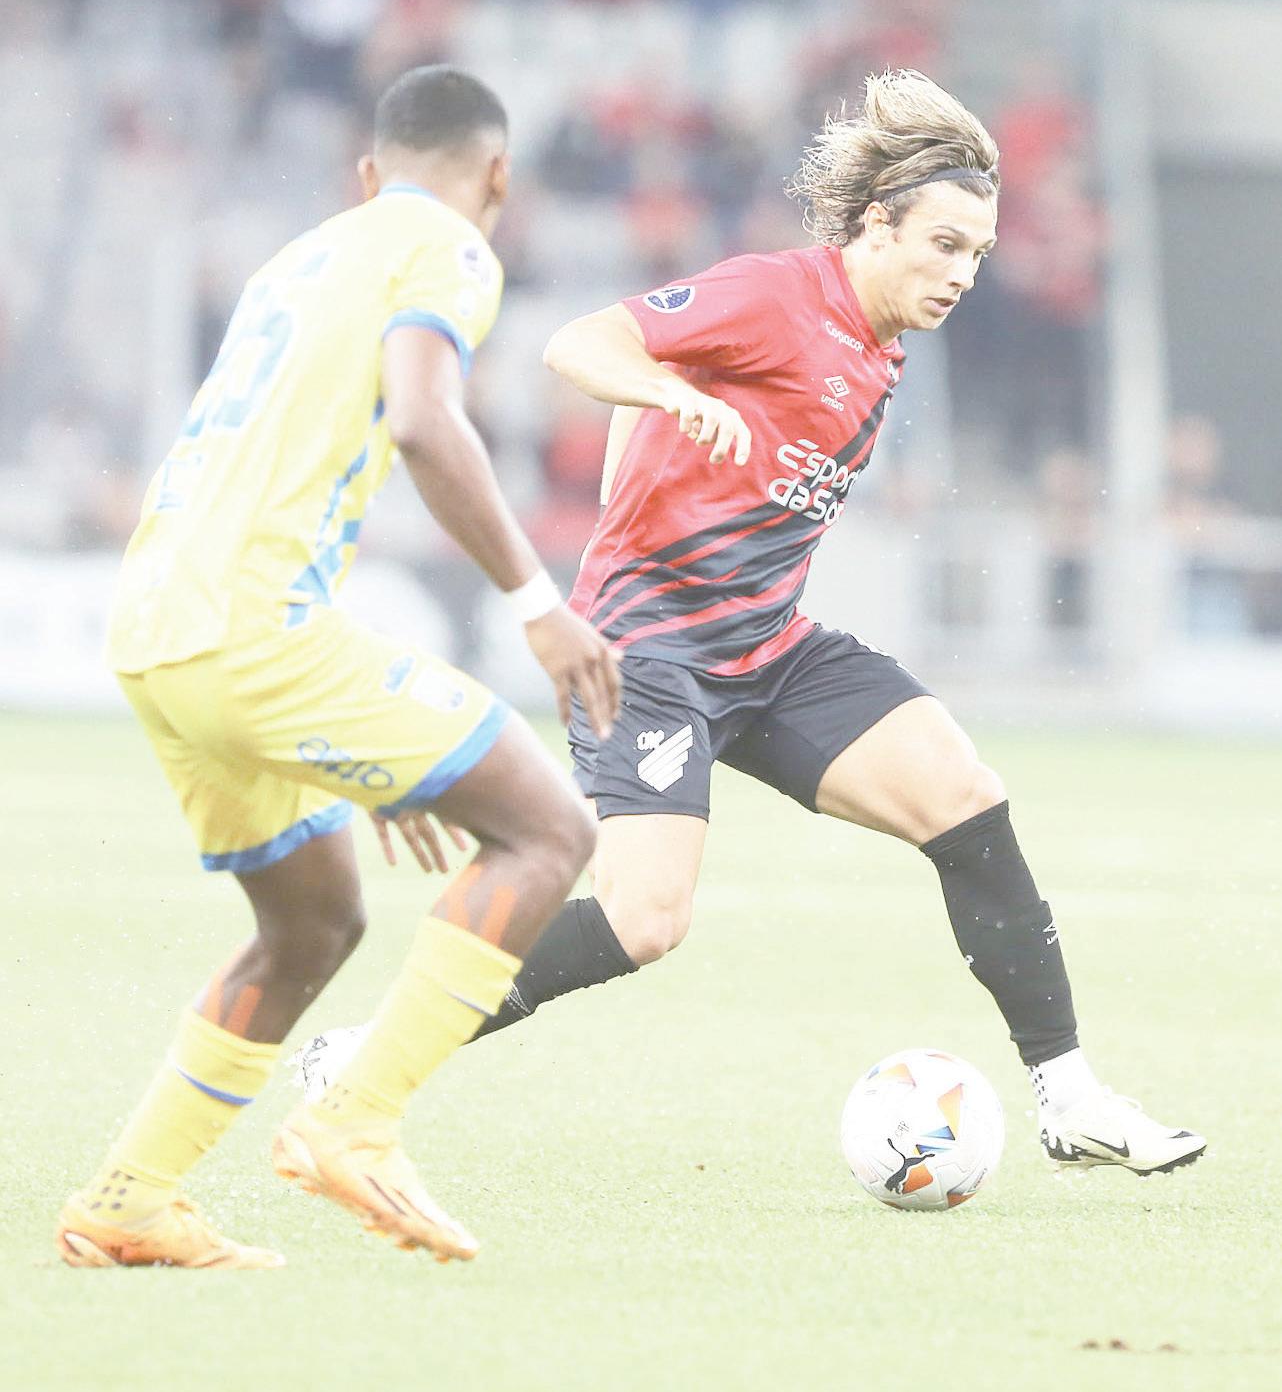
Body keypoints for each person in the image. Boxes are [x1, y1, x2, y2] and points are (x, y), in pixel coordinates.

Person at [301, 69, 1205, 1182]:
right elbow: (580, 344)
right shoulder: (777, 295)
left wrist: (671, 426)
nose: (961, 274)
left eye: (975, 253)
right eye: (942, 245)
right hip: (649, 654)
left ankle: (1069, 1096)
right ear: (876, 227)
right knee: (644, 919)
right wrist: (668, 396)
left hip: (767, 647)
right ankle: (372, 1053)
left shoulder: (878, 346)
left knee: (964, 797)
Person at [55, 65, 620, 1271]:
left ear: (367, 174)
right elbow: (423, 419)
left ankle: (129, 1197)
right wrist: (539, 604)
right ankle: (355, 1120)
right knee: (548, 831)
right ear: (497, 175)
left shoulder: (299, 260)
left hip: (158, 624)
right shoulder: (448, 245)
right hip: (254, 629)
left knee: (311, 922)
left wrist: (368, 756)